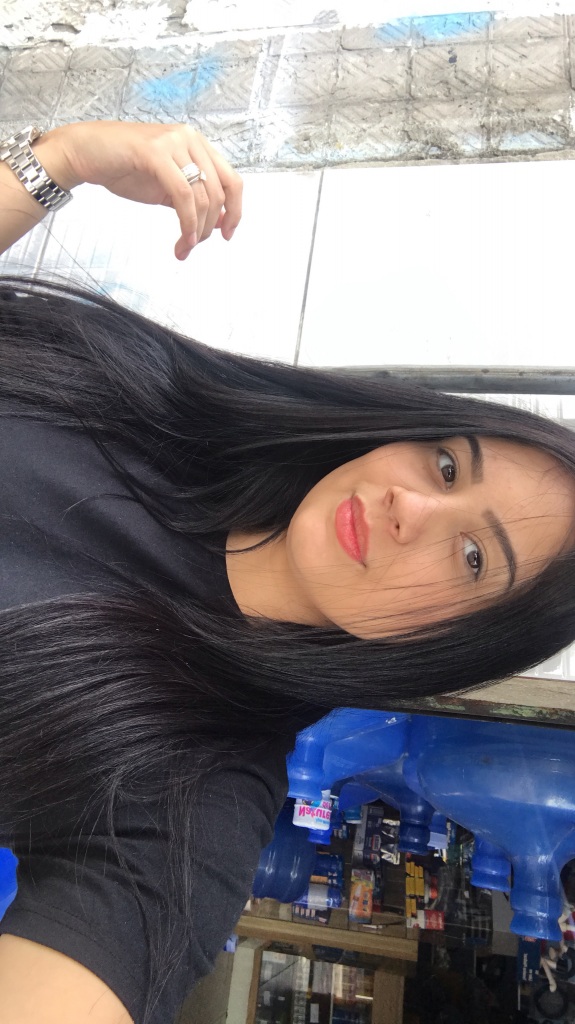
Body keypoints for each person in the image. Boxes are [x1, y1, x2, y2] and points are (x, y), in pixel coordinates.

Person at [1, 119, 575, 1024]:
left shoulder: (194, 796)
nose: (410, 506)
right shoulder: (150, 392)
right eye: (445, 465)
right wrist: (61, 160)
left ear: (456, 640)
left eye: (471, 556)